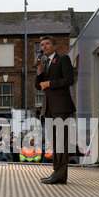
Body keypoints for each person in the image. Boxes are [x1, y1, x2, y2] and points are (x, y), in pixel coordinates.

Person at [35, 35, 76, 184]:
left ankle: (60, 175)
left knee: (61, 142)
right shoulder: (44, 63)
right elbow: (38, 86)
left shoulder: (63, 59)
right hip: (49, 108)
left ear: (55, 46)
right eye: (42, 44)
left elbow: (70, 79)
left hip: (61, 108)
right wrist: (39, 71)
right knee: (54, 143)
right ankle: (56, 172)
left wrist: (50, 84)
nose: (43, 46)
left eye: (47, 44)